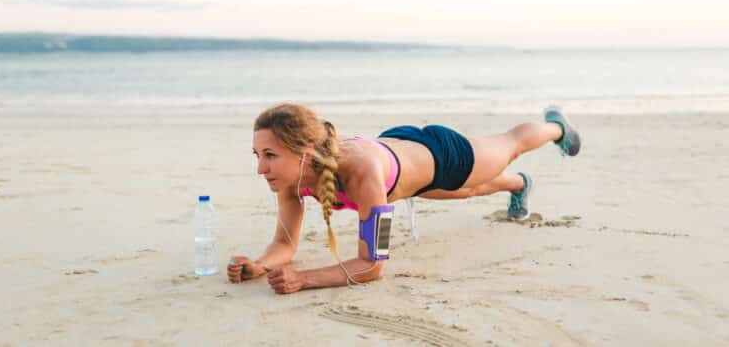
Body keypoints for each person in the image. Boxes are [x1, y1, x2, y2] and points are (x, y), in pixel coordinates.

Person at [228, 103, 581, 294]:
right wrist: (263, 265)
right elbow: (283, 245)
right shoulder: (291, 178)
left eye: (270, 155)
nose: (261, 168)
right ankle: (519, 186)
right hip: (402, 158)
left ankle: (556, 128)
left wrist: (304, 279)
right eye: (257, 155)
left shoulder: (363, 175)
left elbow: (372, 264)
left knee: (509, 145)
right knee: (469, 192)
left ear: (304, 150)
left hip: (442, 154)